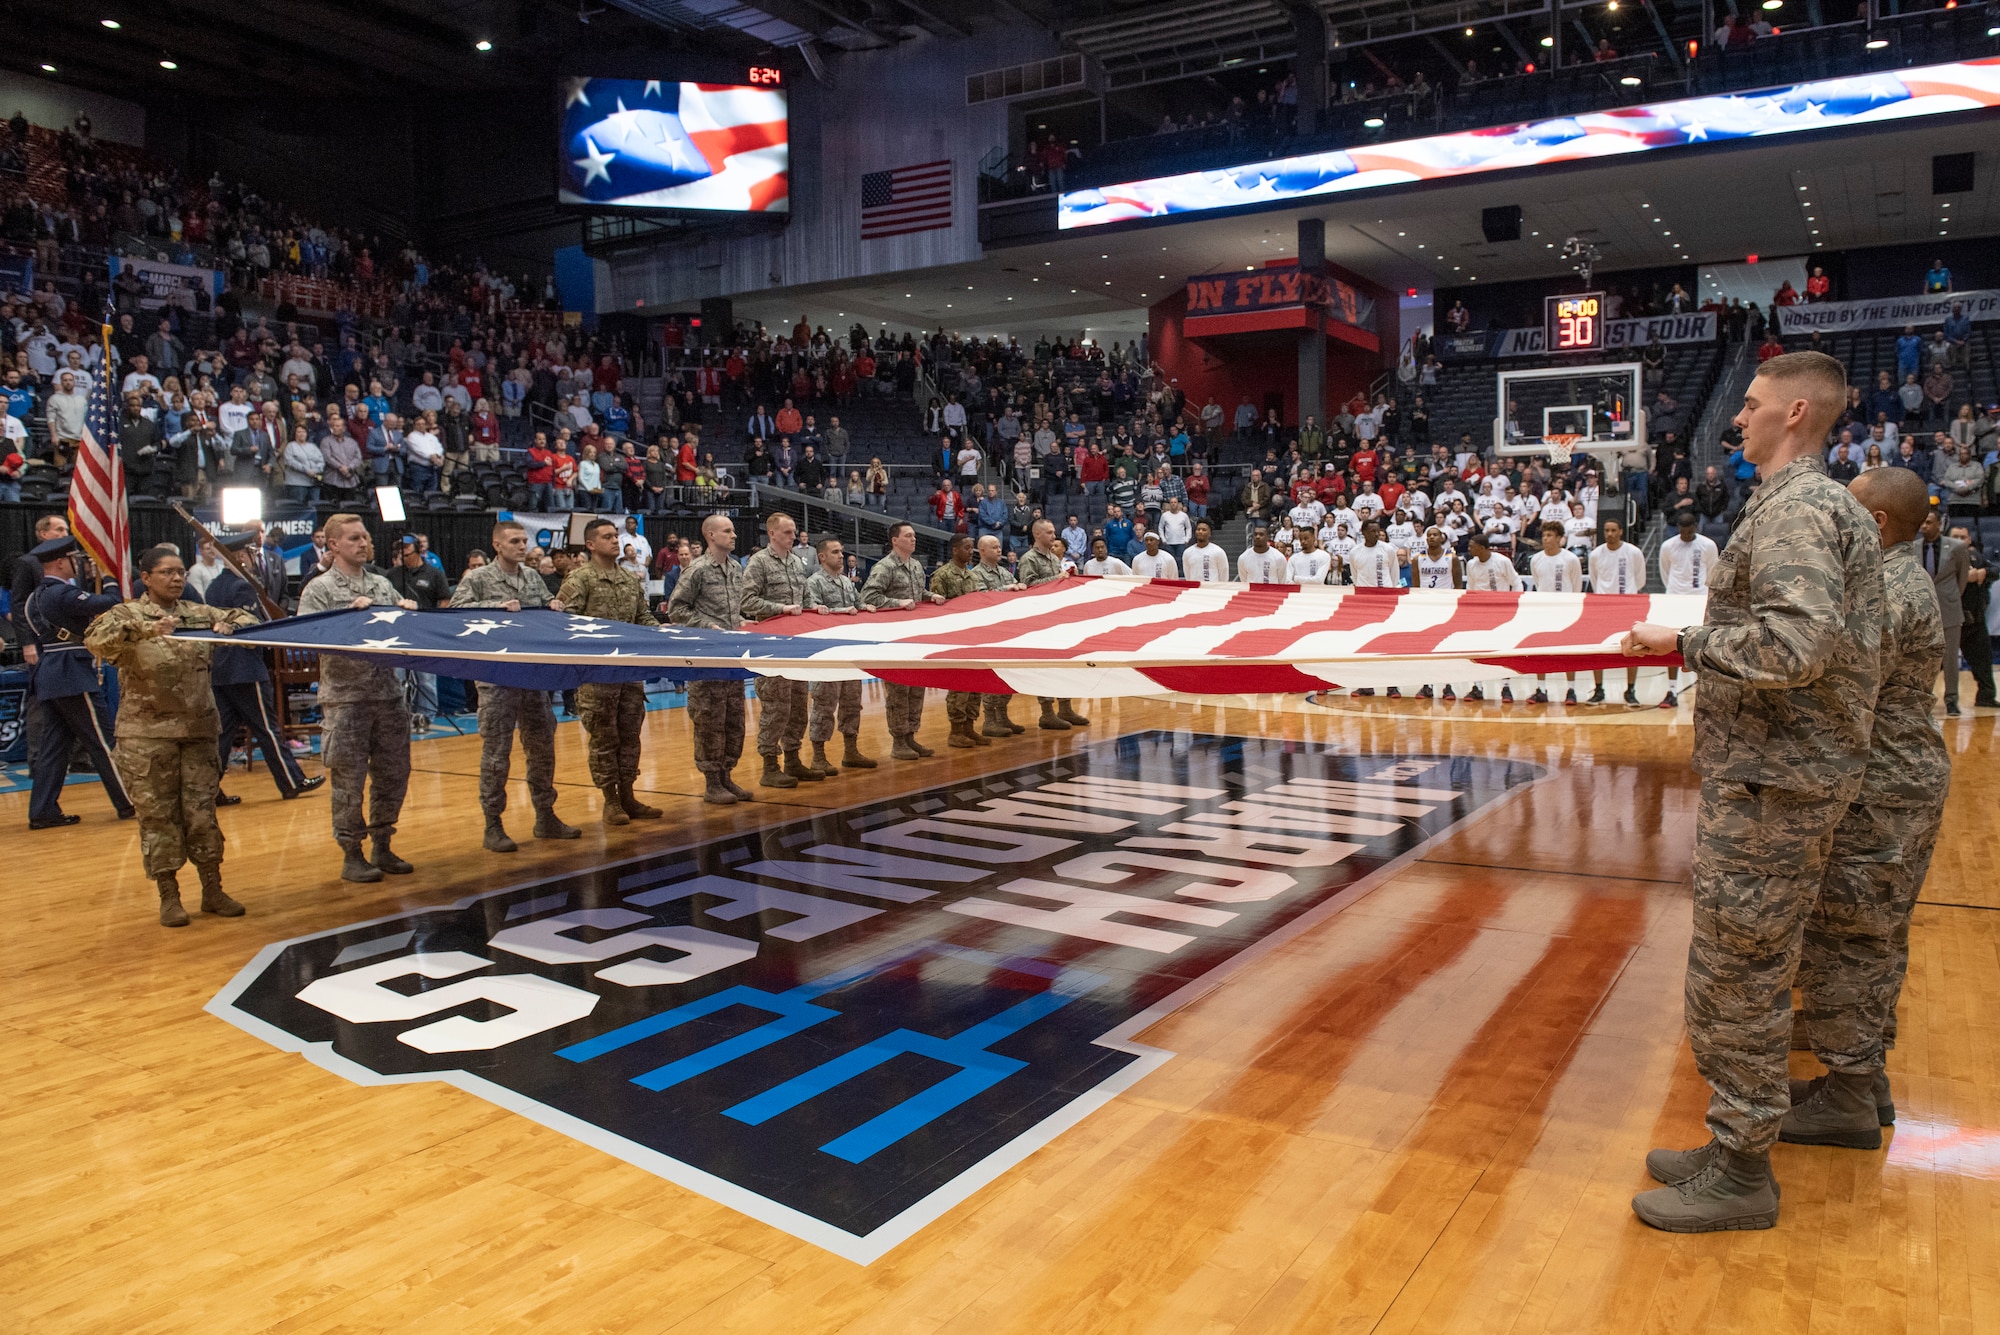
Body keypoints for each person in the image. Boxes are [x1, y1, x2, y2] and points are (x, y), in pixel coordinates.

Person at [1621, 350, 1884, 1233]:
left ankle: (1740, 1170)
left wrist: (1683, 647)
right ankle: (1736, 1137)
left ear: (1797, 412)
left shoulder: (1800, 512)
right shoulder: (1804, 506)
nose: (1738, 418)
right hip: (1784, 776)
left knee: (1739, 973)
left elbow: (1792, 648)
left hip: (1777, 783)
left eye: (1754, 404)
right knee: (1753, 967)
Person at [1779, 467, 1948, 1150]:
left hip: (1880, 791)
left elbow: (1824, 680)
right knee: (1875, 935)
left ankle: (1848, 1094)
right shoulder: (1903, 578)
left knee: (1848, 937)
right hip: (1899, 783)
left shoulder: (1885, 590)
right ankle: (1862, 1078)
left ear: (1874, 525)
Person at [84, 546, 258, 926]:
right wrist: (147, 628)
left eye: (180, 572)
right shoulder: (126, 614)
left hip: (198, 731)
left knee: (202, 815)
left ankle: (212, 889)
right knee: (159, 817)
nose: (176, 578)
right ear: (146, 578)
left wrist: (230, 627)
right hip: (146, 736)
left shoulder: (197, 613)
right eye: (166, 572)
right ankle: (169, 895)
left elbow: (251, 622)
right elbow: (96, 640)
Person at [296, 514, 420, 883]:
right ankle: (352, 852)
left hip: (387, 694)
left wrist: (408, 614)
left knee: (394, 773)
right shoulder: (319, 588)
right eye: (353, 538)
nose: (363, 544)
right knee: (349, 780)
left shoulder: (383, 584)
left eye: (365, 537)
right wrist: (344, 618)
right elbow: (304, 636)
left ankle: (383, 843)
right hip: (345, 698)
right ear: (332, 545)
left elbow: (402, 633)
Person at [449, 519, 581, 851]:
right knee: (496, 754)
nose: (522, 546)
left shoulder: (532, 577)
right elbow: (455, 612)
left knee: (542, 747)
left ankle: (545, 814)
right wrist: (494, 608)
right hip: (497, 678)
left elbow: (545, 606)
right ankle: (493, 824)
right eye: (515, 541)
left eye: (524, 540)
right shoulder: (478, 579)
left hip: (532, 676)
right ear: (497, 545)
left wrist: (554, 606)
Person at [192, 531, 322, 802]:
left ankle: (207, 790)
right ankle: (291, 781)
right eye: (251, 553)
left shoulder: (215, 586)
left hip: (222, 670)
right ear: (241, 556)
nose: (254, 558)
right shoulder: (242, 587)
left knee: (224, 734)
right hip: (245, 667)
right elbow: (250, 627)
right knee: (267, 728)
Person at [22, 536, 136, 829]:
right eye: (75, 559)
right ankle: (129, 800)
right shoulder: (60, 593)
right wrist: (110, 576)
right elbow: (110, 603)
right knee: (103, 740)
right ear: (61, 562)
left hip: (51, 673)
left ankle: (43, 810)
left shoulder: (36, 596)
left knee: (54, 747)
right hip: (70, 673)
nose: (79, 564)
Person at [559, 517, 664, 825]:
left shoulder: (629, 579)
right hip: (597, 677)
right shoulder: (580, 580)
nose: (614, 541)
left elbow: (643, 617)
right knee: (604, 738)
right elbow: (566, 623)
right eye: (606, 537)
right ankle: (610, 800)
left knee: (631, 735)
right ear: (590, 544)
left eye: (615, 536)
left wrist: (665, 634)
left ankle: (629, 794)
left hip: (630, 675)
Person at [667, 515, 755, 804]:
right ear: (710, 535)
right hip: (706, 658)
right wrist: (708, 627)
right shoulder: (697, 570)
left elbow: (734, 608)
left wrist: (741, 622)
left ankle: (727, 775)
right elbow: (676, 609)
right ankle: (711, 782)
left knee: (734, 721)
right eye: (727, 531)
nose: (734, 535)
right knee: (709, 720)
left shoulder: (735, 568)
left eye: (733, 530)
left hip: (732, 659)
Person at [742, 513, 819, 788]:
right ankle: (769, 766)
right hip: (770, 647)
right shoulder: (759, 562)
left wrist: (816, 609)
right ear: (772, 533)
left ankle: (793, 759)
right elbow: (747, 601)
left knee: (799, 705)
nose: (793, 537)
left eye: (794, 532)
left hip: (796, 647)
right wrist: (781, 609)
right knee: (776, 707)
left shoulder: (797, 563)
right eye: (787, 532)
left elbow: (805, 598)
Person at [861, 521, 945, 758]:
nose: (913, 539)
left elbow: (917, 594)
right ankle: (898, 740)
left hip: (916, 636)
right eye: (908, 536)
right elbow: (868, 597)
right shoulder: (884, 567)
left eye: (914, 535)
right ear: (895, 540)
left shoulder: (916, 565)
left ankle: (911, 736)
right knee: (899, 690)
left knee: (917, 686)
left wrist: (930, 596)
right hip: (894, 638)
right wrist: (896, 603)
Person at [802, 535, 876, 774]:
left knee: (852, 703)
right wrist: (843, 611)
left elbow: (858, 602)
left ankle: (851, 750)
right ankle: (818, 756)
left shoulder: (846, 582)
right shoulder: (814, 583)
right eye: (835, 552)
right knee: (823, 705)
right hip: (827, 654)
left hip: (849, 653)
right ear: (822, 556)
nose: (841, 556)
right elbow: (812, 614)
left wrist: (866, 607)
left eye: (842, 552)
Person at [929, 535, 990, 750]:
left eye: (972, 548)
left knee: (975, 685)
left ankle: (969, 727)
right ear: (955, 550)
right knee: (959, 686)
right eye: (966, 548)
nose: (970, 551)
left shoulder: (972, 576)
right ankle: (955, 731)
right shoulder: (942, 575)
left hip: (973, 638)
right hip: (954, 639)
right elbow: (937, 610)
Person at [1656, 510, 1720, 709]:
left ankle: (1704, 690)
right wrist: (1675, 592)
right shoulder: (1668, 546)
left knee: (1700, 645)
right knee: (1670, 644)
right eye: (1681, 531)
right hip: (1674, 599)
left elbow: (1712, 572)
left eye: (1688, 531)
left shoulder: (1708, 545)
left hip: (1698, 600)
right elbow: (1664, 571)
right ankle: (1671, 690)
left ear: (1695, 527)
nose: (1685, 535)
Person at [970, 534, 1026, 738]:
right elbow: (981, 596)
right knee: (992, 675)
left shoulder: (1004, 572)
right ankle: (990, 720)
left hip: (1009, 631)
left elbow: (1015, 586)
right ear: (982, 551)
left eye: (999, 546)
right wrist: (1007, 589)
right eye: (993, 547)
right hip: (989, 632)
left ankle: (1002, 715)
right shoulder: (976, 574)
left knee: (1008, 675)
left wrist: (1018, 588)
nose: (999, 550)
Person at [1917, 507, 1971, 716]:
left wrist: (1951, 597)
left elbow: (1963, 578)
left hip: (1949, 608)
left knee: (1949, 659)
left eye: (1929, 522)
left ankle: (1952, 700)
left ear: (1939, 524)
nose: (1924, 526)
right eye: (1922, 522)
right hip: (1922, 611)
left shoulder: (1956, 547)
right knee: (1921, 658)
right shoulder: (1914, 546)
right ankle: (1922, 700)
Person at [1588, 518, 1648, 704]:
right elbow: (1594, 578)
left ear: (1621, 531)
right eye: (1606, 530)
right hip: (1603, 608)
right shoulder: (1596, 554)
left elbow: (1640, 580)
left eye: (1613, 530)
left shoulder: (1633, 552)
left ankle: (1630, 690)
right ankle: (1598, 690)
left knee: (1632, 647)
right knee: (1598, 649)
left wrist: (1626, 598)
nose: (1610, 534)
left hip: (1627, 606)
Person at [1528, 523, 1584, 704]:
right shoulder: (1535, 559)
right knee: (1540, 651)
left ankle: (1571, 690)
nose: (1546, 539)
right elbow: (1538, 583)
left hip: (1566, 611)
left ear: (1559, 538)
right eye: (1544, 535)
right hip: (1544, 611)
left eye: (1550, 535)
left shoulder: (1570, 559)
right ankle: (1541, 689)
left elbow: (1577, 586)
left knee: (1568, 652)